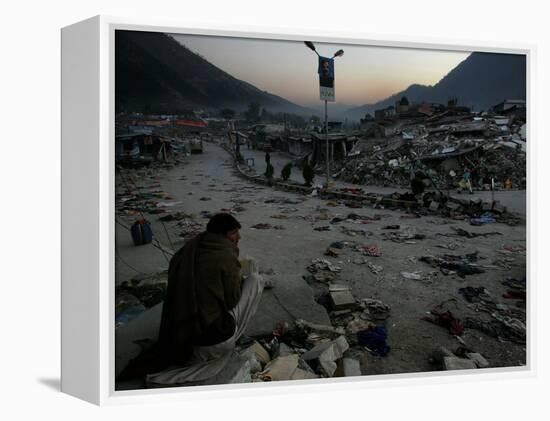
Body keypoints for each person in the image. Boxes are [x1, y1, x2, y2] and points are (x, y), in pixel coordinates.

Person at [119, 213, 265, 386]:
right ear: (220, 234)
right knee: (255, 280)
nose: (238, 237)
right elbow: (232, 302)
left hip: (180, 335)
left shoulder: (188, 249)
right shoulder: (225, 257)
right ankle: (232, 338)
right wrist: (237, 279)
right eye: (234, 233)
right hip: (211, 343)